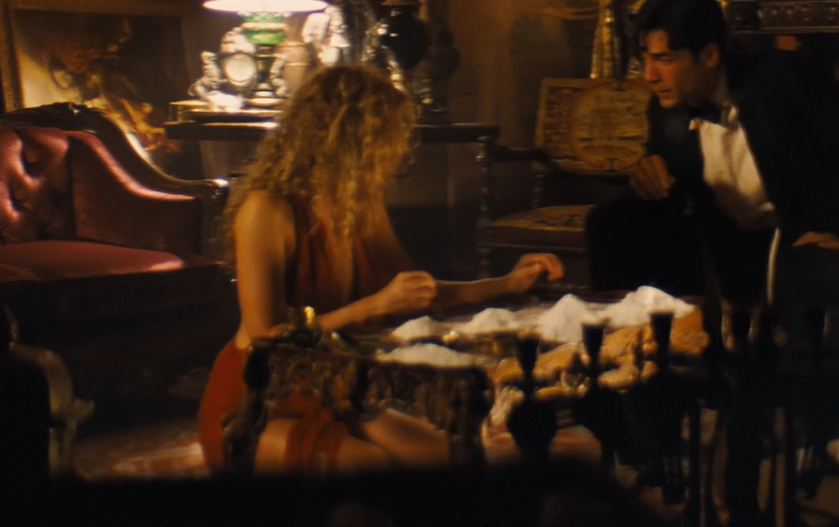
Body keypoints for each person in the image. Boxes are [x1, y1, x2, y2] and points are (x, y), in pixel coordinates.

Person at [196, 65, 564, 472]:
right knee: (369, 465)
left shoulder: (358, 205)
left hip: (330, 385)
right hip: (257, 398)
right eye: (388, 139)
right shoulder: (266, 210)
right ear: (348, 139)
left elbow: (417, 295)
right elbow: (266, 340)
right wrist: (369, 308)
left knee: (451, 458)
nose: (401, 152)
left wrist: (507, 283)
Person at [581, 0, 839, 316]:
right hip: (730, 255)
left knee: (814, 268)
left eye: (664, 59)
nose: (649, 76)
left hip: (807, 246)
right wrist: (647, 175)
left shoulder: (783, 79)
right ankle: (636, 332)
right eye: (646, 58)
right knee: (609, 223)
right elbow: (670, 185)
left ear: (709, 56)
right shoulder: (666, 107)